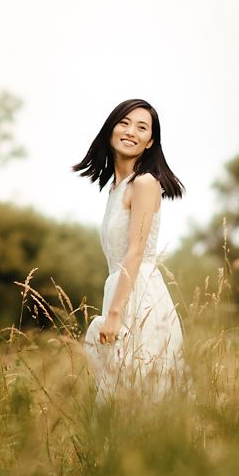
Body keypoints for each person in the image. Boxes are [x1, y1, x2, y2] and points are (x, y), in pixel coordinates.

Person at [72, 98, 188, 402]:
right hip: (121, 289)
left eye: (141, 127)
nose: (131, 132)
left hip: (140, 297)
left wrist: (114, 313)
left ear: (150, 142)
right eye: (124, 123)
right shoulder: (116, 188)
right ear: (111, 129)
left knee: (141, 393)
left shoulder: (144, 183)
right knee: (120, 394)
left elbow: (135, 252)